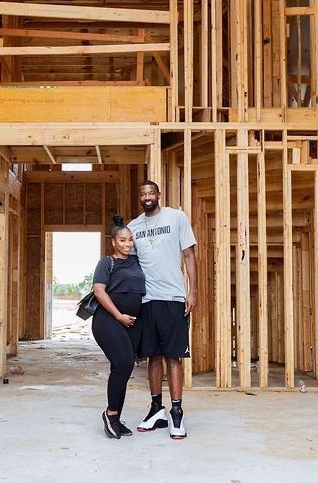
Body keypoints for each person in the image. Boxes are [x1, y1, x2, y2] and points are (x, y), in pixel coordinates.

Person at [128, 180, 197, 440]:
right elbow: (130, 263)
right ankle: (156, 408)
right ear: (140, 197)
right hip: (146, 301)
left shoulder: (176, 218)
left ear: (158, 195)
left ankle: (176, 412)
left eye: (151, 193)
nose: (147, 197)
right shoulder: (134, 227)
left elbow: (189, 256)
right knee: (152, 357)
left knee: (173, 357)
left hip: (172, 297)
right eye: (143, 193)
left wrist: (193, 291)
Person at [91, 216, 146, 439]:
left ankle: (115, 417)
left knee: (123, 367)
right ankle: (110, 413)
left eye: (130, 240)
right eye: (122, 240)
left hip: (130, 322)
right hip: (108, 319)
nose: (127, 244)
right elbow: (99, 291)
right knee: (123, 362)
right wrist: (119, 316)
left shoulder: (137, 262)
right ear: (113, 242)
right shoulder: (106, 263)